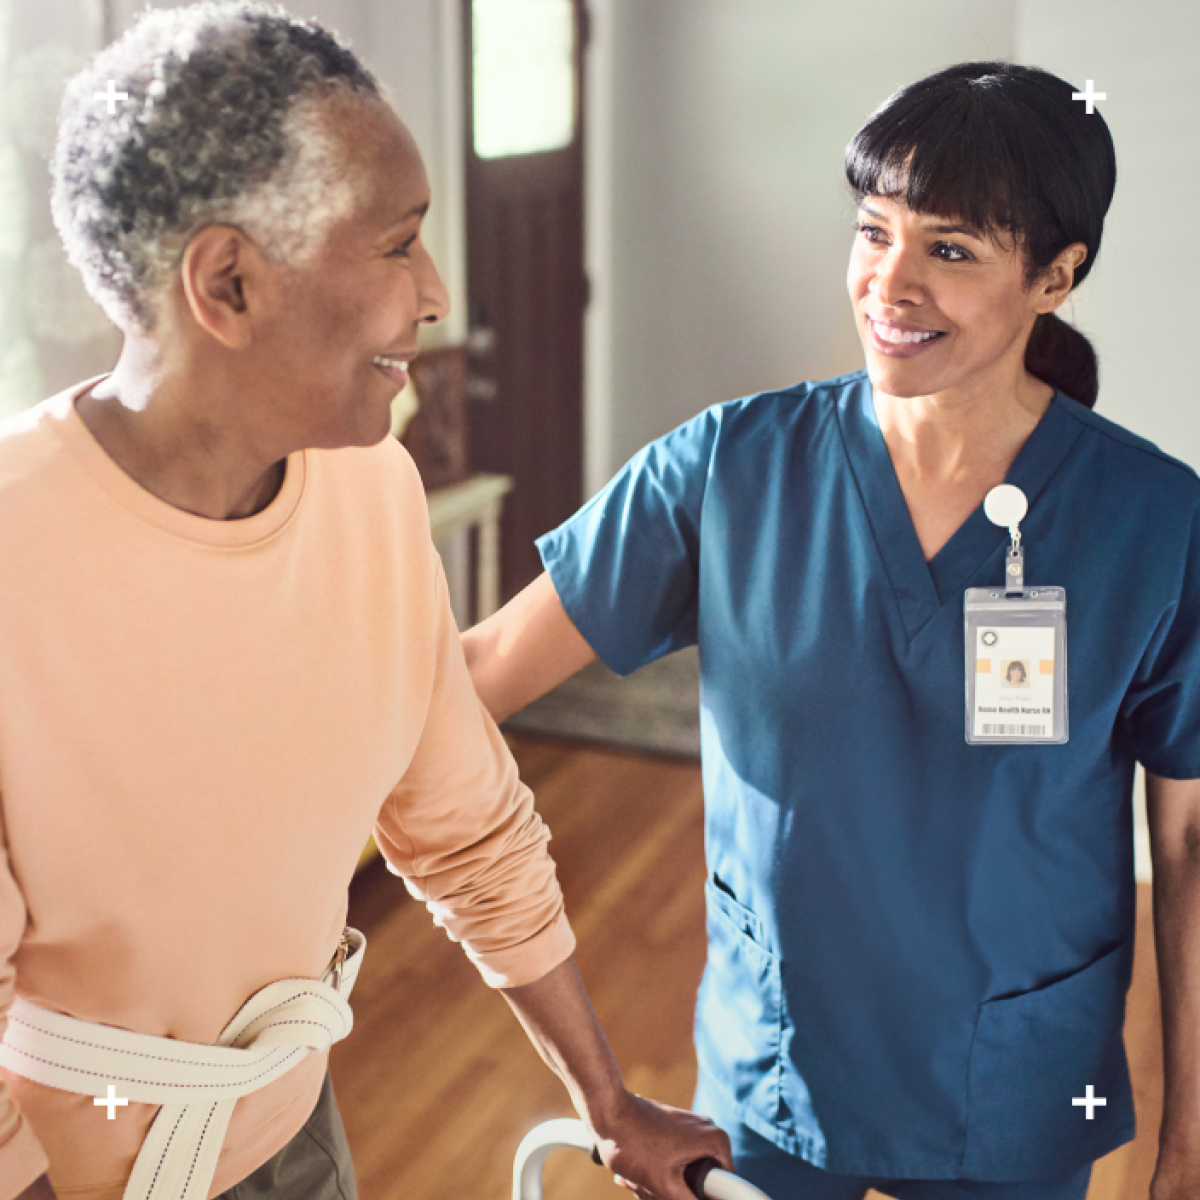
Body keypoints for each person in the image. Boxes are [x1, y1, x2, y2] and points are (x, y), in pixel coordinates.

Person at [0, 6, 731, 1200]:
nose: (435, 293)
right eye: (398, 245)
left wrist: (610, 1104)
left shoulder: (370, 490)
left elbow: (469, 828)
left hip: (298, 1131)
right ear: (227, 284)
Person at [462, 62, 1200, 1200]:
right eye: (873, 231)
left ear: (1057, 276)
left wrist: (1190, 1144)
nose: (888, 284)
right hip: (776, 1063)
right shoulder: (724, 469)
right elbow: (474, 681)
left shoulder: (1155, 523)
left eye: (951, 250)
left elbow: (1190, 846)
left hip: (1012, 1078)